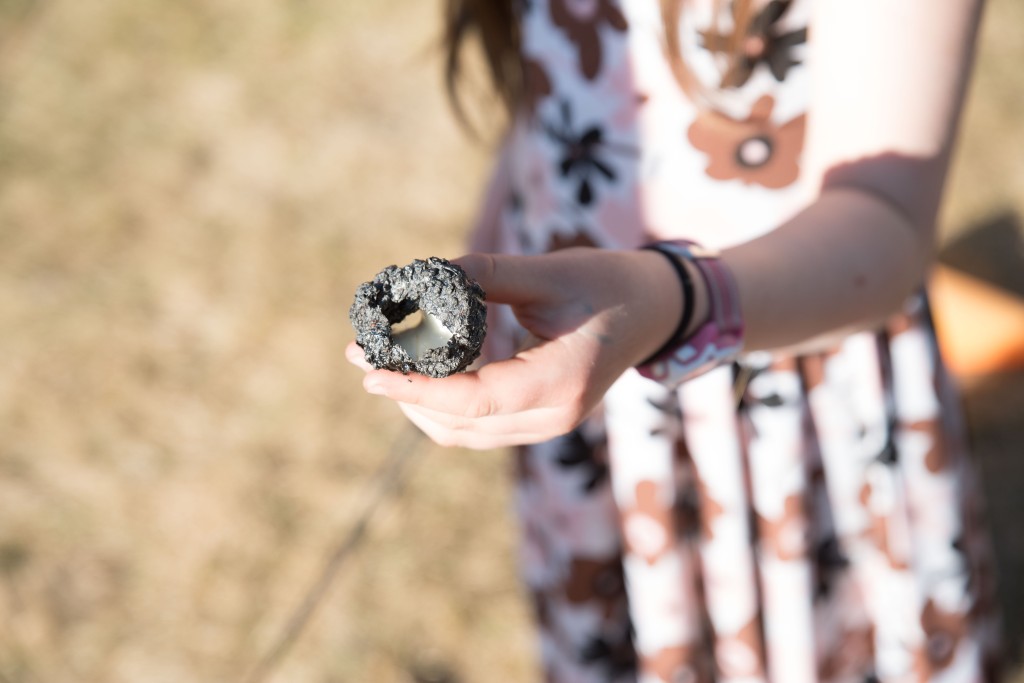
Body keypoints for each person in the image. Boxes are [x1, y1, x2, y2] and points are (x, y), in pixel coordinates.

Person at [347, 0, 1001, 681]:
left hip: (781, 372)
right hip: (599, 405)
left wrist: (671, 300)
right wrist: (491, 234)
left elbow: (887, 220)